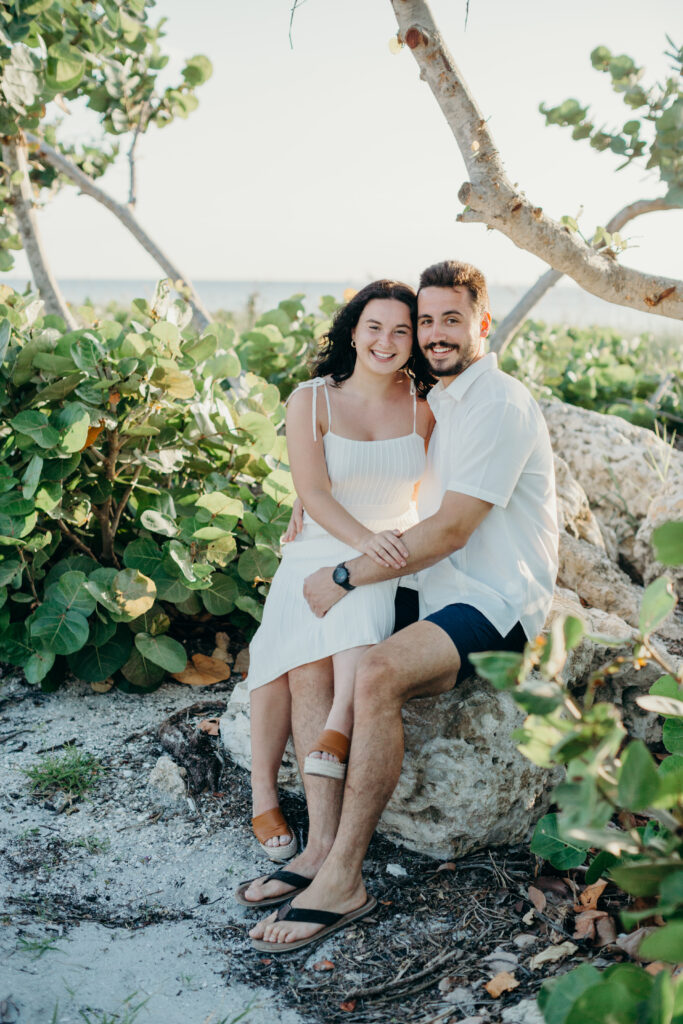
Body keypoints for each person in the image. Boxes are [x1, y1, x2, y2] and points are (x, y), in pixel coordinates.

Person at [245, 259, 559, 951]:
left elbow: (448, 528)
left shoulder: (496, 403)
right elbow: (391, 471)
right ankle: (316, 848)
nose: (435, 333)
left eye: (453, 319)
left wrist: (346, 574)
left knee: (377, 671)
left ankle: (343, 880)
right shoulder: (439, 396)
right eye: (427, 321)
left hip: (496, 602)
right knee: (316, 653)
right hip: (438, 584)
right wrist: (314, 496)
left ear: (482, 324)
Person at [240, 280, 434, 872]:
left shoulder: (427, 404)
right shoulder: (312, 399)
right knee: (286, 655)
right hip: (324, 539)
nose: (387, 341)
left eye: (402, 330)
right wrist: (359, 540)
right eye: (375, 327)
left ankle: (336, 728)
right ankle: (264, 796)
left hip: (389, 544)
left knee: (359, 605)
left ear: (415, 340)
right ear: (354, 331)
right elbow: (314, 492)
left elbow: (439, 488)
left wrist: (385, 543)